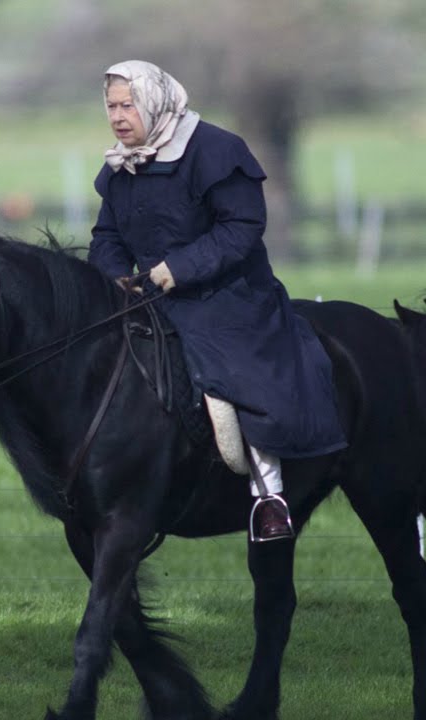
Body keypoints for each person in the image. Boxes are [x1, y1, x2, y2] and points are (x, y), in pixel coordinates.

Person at [88, 60, 347, 542]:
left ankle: (268, 497)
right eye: (111, 106)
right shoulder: (123, 164)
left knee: (232, 378)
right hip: (144, 297)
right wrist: (117, 276)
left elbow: (241, 227)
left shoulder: (217, 150)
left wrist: (177, 270)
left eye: (127, 105)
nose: (118, 116)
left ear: (154, 101)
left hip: (226, 296)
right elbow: (106, 236)